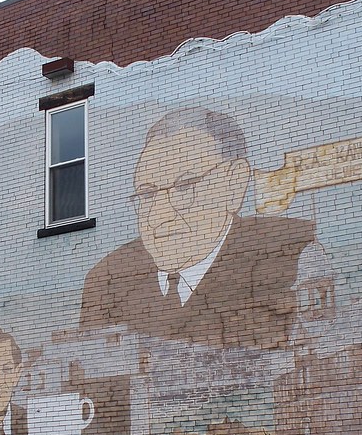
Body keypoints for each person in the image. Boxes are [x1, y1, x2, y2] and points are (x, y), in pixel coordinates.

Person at [80, 107, 314, 350]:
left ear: (234, 183)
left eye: (185, 187)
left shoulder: (295, 253)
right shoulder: (106, 281)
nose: (159, 216)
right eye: (147, 194)